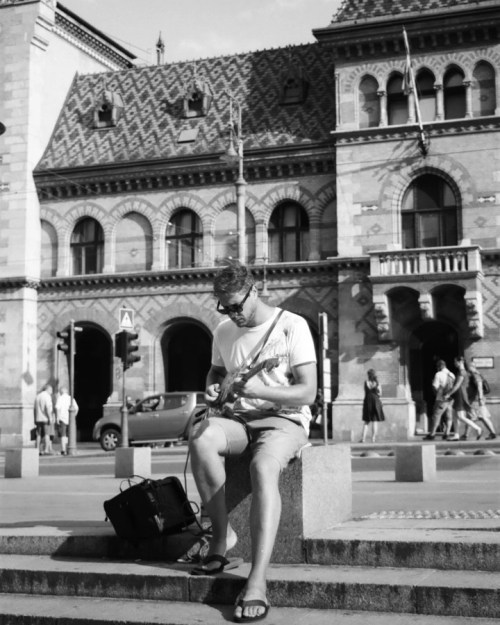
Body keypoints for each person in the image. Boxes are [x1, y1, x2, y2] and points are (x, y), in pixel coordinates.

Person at [189, 261, 317, 623]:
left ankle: (257, 580)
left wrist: (264, 389)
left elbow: (308, 391)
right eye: (223, 307)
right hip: (240, 420)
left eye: (235, 306)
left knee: (263, 467)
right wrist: (211, 383)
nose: (231, 314)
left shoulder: (293, 325)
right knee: (201, 438)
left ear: (254, 291)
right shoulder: (224, 331)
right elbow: (216, 370)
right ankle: (221, 538)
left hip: (285, 420)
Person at [443, 356, 482, 441]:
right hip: (458, 395)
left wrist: (448, 394)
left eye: (455, 362)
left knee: (460, 416)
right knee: (454, 415)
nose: (454, 363)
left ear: (460, 362)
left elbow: (457, 386)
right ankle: (456, 435)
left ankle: (477, 428)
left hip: (460, 395)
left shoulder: (462, 372)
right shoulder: (462, 372)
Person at [461, 361, 496, 440]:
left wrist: (480, 398)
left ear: (472, 367)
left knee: (471, 417)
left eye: (468, 366)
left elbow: (479, 386)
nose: (466, 368)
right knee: (482, 417)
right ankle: (492, 433)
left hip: (475, 400)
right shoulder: (477, 374)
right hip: (477, 399)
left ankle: (466, 435)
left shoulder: (475, 375)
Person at [424, 359, 455, 440]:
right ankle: (447, 433)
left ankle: (432, 434)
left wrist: (436, 394)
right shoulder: (452, 374)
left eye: (437, 366)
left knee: (436, 415)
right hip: (451, 398)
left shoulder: (438, 374)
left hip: (441, 398)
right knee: (449, 416)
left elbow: (435, 386)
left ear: (439, 366)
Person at [359, 369, 385, 443]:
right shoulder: (377, 383)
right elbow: (380, 394)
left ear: (368, 375)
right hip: (376, 401)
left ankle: (363, 439)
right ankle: (373, 439)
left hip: (367, 401)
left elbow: (366, 391)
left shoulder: (366, 382)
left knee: (366, 421)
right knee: (375, 421)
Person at [55, 386, 78, 455]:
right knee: (70, 434)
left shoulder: (60, 398)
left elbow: (57, 408)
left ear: (61, 392)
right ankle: (69, 448)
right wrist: (74, 416)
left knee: (63, 434)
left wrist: (57, 417)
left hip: (62, 418)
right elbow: (76, 408)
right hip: (70, 419)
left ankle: (63, 449)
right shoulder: (71, 398)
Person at [34, 384, 55, 455]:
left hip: (38, 418)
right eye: (51, 390)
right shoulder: (47, 396)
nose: (52, 392)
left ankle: (36, 449)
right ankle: (46, 450)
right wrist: (50, 417)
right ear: (48, 389)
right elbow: (48, 407)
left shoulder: (38, 396)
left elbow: (34, 409)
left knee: (38, 434)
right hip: (45, 418)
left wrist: (35, 418)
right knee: (47, 434)